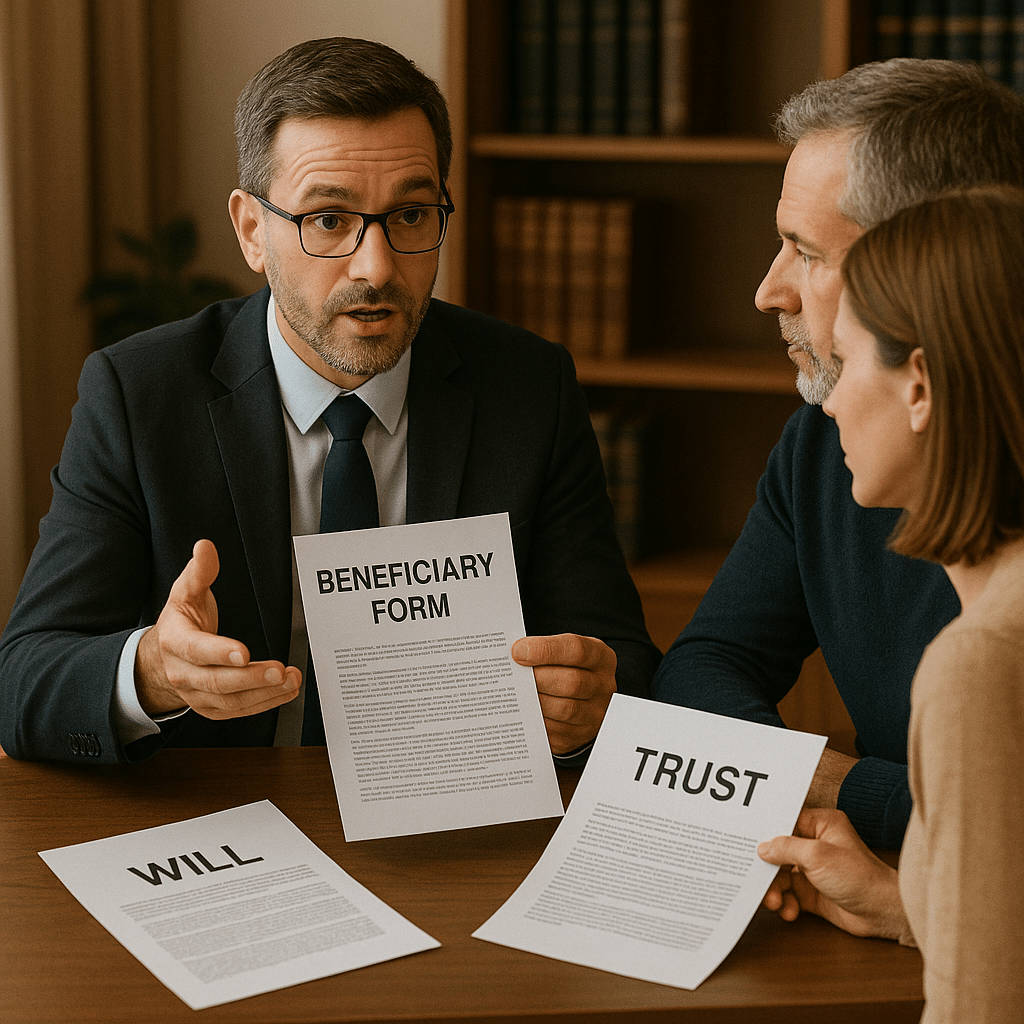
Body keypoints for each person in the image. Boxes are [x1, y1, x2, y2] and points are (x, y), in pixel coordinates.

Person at [0, 37, 660, 764]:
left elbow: (617, 658)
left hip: (448, 826)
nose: (375, 268)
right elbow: (25, 681)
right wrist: (154, 673)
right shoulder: (139, 394)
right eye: (328, 220)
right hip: (230, 820)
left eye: (410, 216)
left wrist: (586, 709)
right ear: (253, 231)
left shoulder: (529, 387)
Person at [650, 58, 1024, 848]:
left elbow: (1002, 825)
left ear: (926, 264)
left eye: (806, 250)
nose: (768, 290)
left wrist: (839, 788)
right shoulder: (828, 437)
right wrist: (817, 792)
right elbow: (703, 667)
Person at [758, 185, 1024, 1023]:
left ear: (920, 385)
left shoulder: (981, 664)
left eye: (848, 358)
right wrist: (913, 906)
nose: (828, 400)